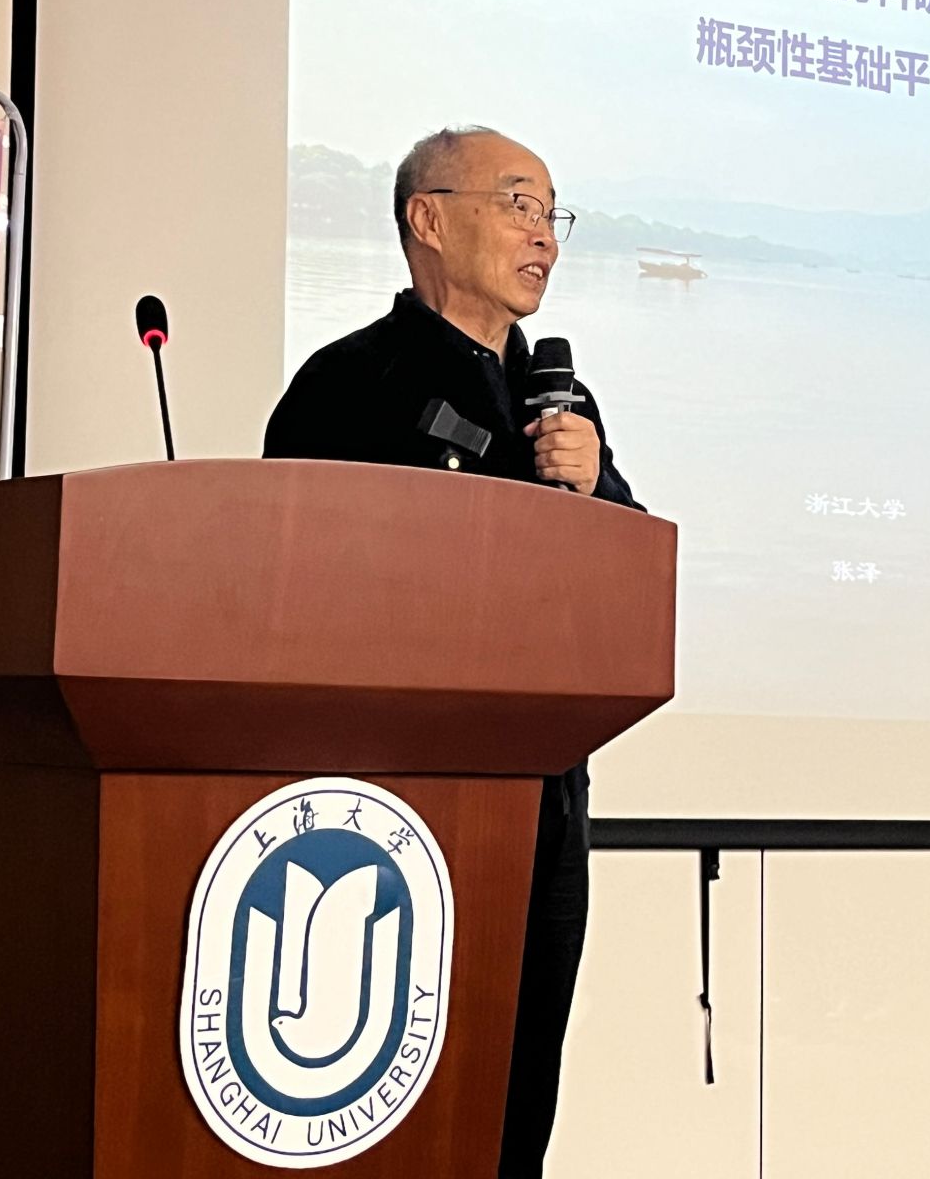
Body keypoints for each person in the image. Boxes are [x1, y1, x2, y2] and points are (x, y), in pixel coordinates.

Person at [264, 125, 639, 1177]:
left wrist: (596, 485)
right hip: (390, 809)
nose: (544, 237)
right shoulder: (349, 384)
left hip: (544, 804)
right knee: (389, 1109)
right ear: (427, 218)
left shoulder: (562, 406)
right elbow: (288, 592)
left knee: (516, 1101)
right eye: (519, 205)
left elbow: (626, 583)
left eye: (552, 215)